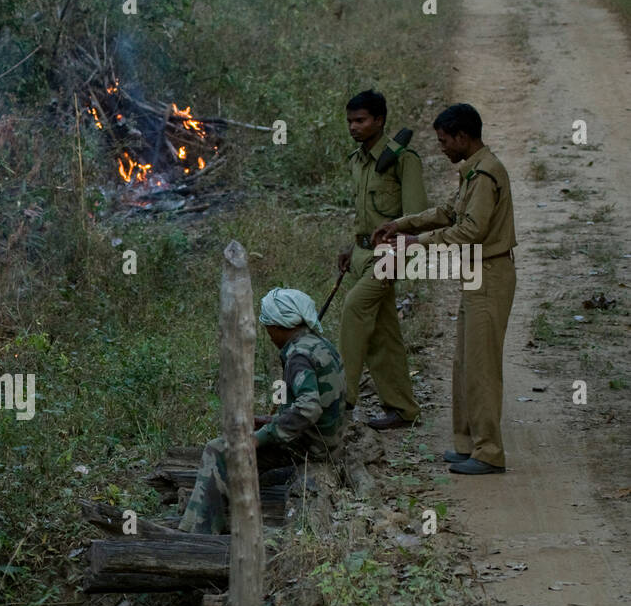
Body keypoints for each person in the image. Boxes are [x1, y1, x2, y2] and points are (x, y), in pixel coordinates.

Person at [373, 103, 516, 475]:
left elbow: (471, 230)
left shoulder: (486, 174)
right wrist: (401, 224)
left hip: (490, 272)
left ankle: (489, 452)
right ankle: (468, 443)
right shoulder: (472, 172)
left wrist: (416, 243)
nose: (442, 148)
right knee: (464, 364)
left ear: (462, 137)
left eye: (444, 141)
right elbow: (449, 212)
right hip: (475, 274)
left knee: (482, 367)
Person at [179, 289, 346, 534]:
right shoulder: (320, 344)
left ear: (280, 326)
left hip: (313, 448)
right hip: (327, 440)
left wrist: (260, 437)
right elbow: (320, 401)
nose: (267, 333)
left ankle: (200, 531)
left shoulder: (298, 355)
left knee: (218, 450)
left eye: (268, 326)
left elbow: (309, 408)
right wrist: (271, 421)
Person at [338, 89, 428, 430]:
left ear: (379, 120)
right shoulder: (357, 161)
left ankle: (340, 398)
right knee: (382, 334)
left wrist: (399, 254)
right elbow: (364, 215)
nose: (353, 127)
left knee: (354, 308)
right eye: (349, 121)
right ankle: (403, 408)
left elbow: (418, 217)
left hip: (390, 255)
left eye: (360, 121)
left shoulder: (404, 159)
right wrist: (351, 247)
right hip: (362, 254)